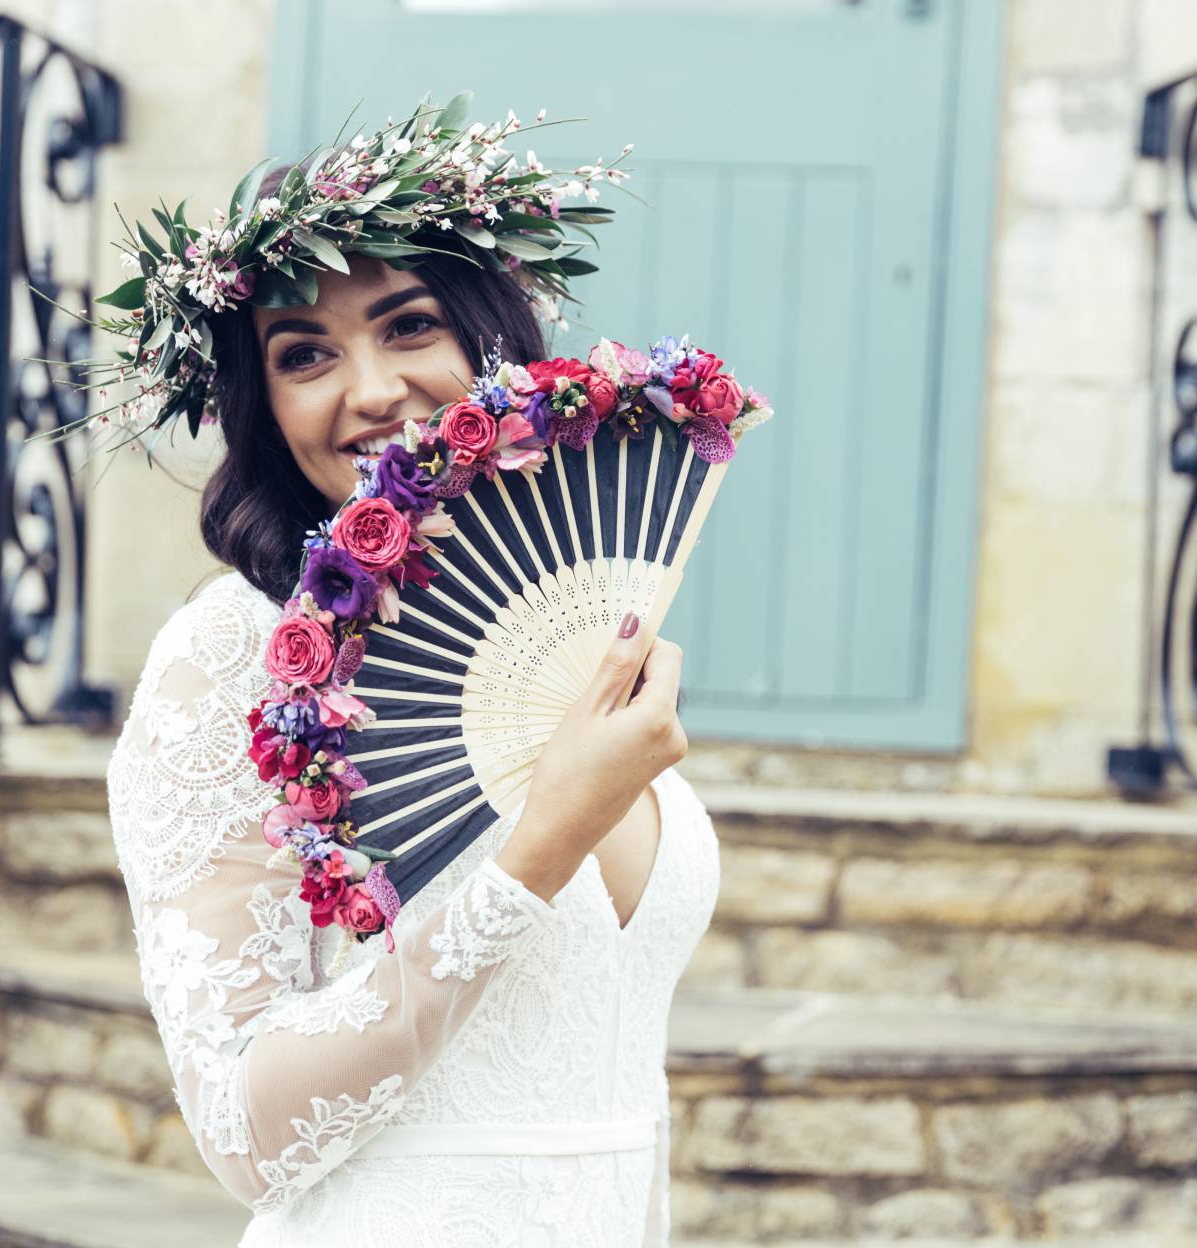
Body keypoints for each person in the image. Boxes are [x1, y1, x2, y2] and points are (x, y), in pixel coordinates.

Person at [97, 100, 722, 1245]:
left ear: (492, 343)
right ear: (261, 406)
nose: (374, 389)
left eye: (410, 326)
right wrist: (535, 855)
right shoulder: (231, 656)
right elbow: (245, 1136)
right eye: (306, 355)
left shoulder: (578, 632)